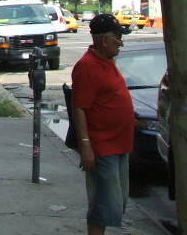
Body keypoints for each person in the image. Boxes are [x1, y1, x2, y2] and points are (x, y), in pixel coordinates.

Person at [71, 14, 135, 235]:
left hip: (120, 144)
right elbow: (80, 108)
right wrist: (86, 145)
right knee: (102, 203)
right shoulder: (87, 66)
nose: (121, 43)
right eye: (117, 38)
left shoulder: (108, 62)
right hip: (102, 146)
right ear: (104, 40)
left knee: (116, 201)